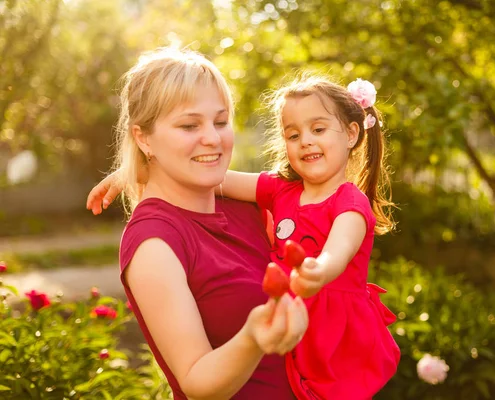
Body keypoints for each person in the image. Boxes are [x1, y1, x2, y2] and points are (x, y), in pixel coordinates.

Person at [89, 73, 401, 398]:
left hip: (332, 334)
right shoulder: (279, 192)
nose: (306, 141)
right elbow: (218, 176)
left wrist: (319, 270)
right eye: (293, 135)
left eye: (221, 121)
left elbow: (340, 248)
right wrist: (137, 169)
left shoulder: (348, 201)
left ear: (352, 134)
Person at [86, 47, 308, 400]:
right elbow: (196, 381)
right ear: (143, 137)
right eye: (189, 125)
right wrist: (252, 338)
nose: (213, 138)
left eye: (220, 122)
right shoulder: (154, 243)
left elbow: (317, 190)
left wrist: (142, 167)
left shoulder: (243, 206)